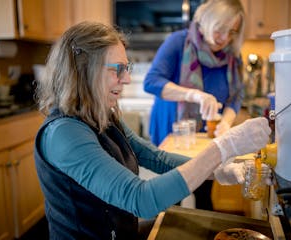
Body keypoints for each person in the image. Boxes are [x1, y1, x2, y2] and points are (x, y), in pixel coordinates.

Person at [34, 21, 271, 240]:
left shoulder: (103, 116)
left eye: (127, 68)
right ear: (84, 70)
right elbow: (141, 199)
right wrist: (223, 147)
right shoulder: (64, 134)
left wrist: (218, 171)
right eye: (118, 69)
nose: (126, 79)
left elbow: (157, 158)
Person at [143, 0, 245, 210]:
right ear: (206, 21)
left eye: (232, 32)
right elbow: (151, 82)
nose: (225, 39)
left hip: (206, 140)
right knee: (171, 201)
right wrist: (194, 95)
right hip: (173, 135)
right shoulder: (179, 42)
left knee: (205, 197)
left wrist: (225, 122)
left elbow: (236, 97)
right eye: (220, 30)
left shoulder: (233, 54)